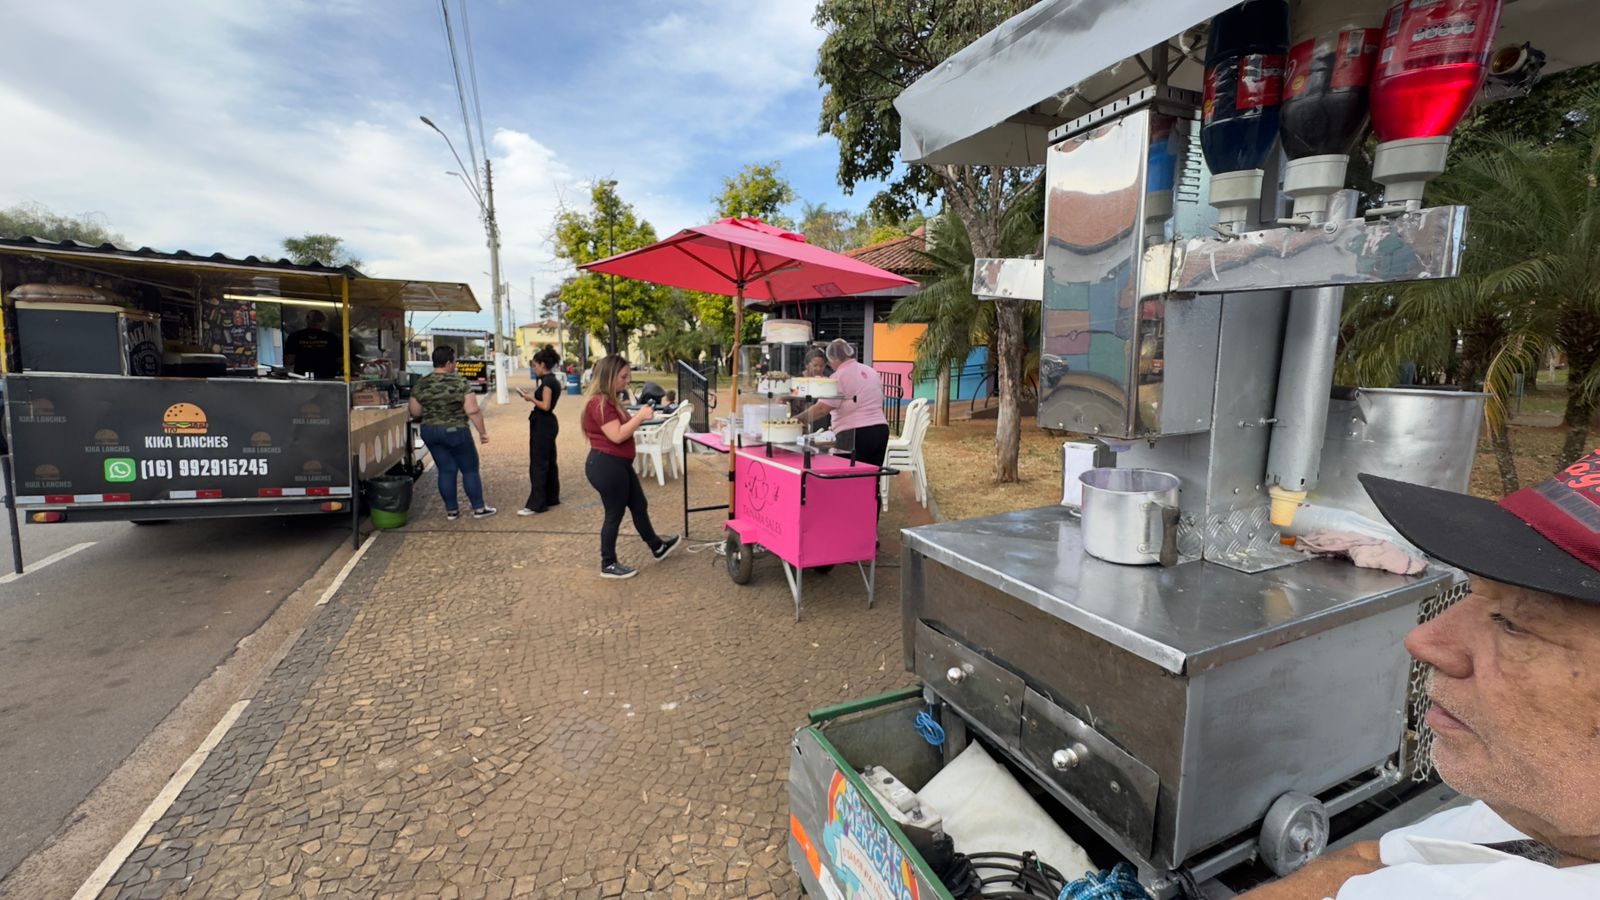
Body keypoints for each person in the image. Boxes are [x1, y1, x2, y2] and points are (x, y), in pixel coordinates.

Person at [1239, 459, 1600, 898]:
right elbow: (1373, 857)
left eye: (1513, 623)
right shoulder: (1552, 807)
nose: (1424, 640)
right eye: (1475, 592)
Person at [581, 355, 679, 579]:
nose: (628, 381)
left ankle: (657, 546)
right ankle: (608, 563)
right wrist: (641, 417)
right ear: (610, 376)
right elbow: (616, 435)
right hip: (607, 465)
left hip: (616, 464)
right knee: (614, 513)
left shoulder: (608, 401)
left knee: (638, 504)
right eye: (624, 376)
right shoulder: (600, 403)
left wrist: (633, 415)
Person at [408, 346, 495, 520]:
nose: (454, 365)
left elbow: (415, 411)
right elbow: (472, 410)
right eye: (454, 361)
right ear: (448, 363)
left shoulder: (421, 383)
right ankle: (478, 508)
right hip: (455, 431)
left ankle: (452, 511)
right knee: (469, 469)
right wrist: (482, 432)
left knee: (446, 470)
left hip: (430, 431)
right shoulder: (459, 382)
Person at [796, 338, 888, 467]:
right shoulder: (871, 371)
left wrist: (798, 420)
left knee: (848, 478)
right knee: (872, 477)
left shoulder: (838, 376)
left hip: (854, 435)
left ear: (833, 359)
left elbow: (822, 408)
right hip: (880, 430)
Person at [518, 346, 563, 515]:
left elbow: (545, 405)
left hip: (543, 424)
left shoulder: (547, 383)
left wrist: (530, 398)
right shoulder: (551, 381)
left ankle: (537, 503)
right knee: (549, 460)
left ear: (543, 365)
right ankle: (551, 496)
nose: (533, 368)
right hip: (547, 424)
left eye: (535, 365)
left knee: (539, 463)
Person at [283, 310, 341, 379]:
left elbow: (289, 360)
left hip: (302, 378)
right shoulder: (331, 338)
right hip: (327, 378)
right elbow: (340, 360)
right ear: (323, 322)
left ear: (307, 320)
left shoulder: (295, 337)